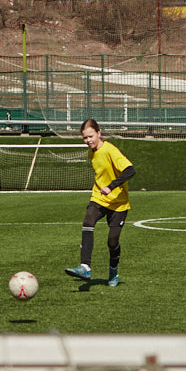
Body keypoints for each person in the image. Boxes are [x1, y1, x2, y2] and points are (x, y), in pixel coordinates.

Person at [64, 119, 135, 287]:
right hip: (99, 197)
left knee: (112, 242)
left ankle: (113, 271)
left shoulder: (110, 150)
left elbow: (130, 170)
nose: (88, 141)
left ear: (99, 133)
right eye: (85, 138)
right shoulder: (91, 152)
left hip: (118, 202)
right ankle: (85, 266)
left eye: (90, 136)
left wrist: (111, 187)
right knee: (88, 221)